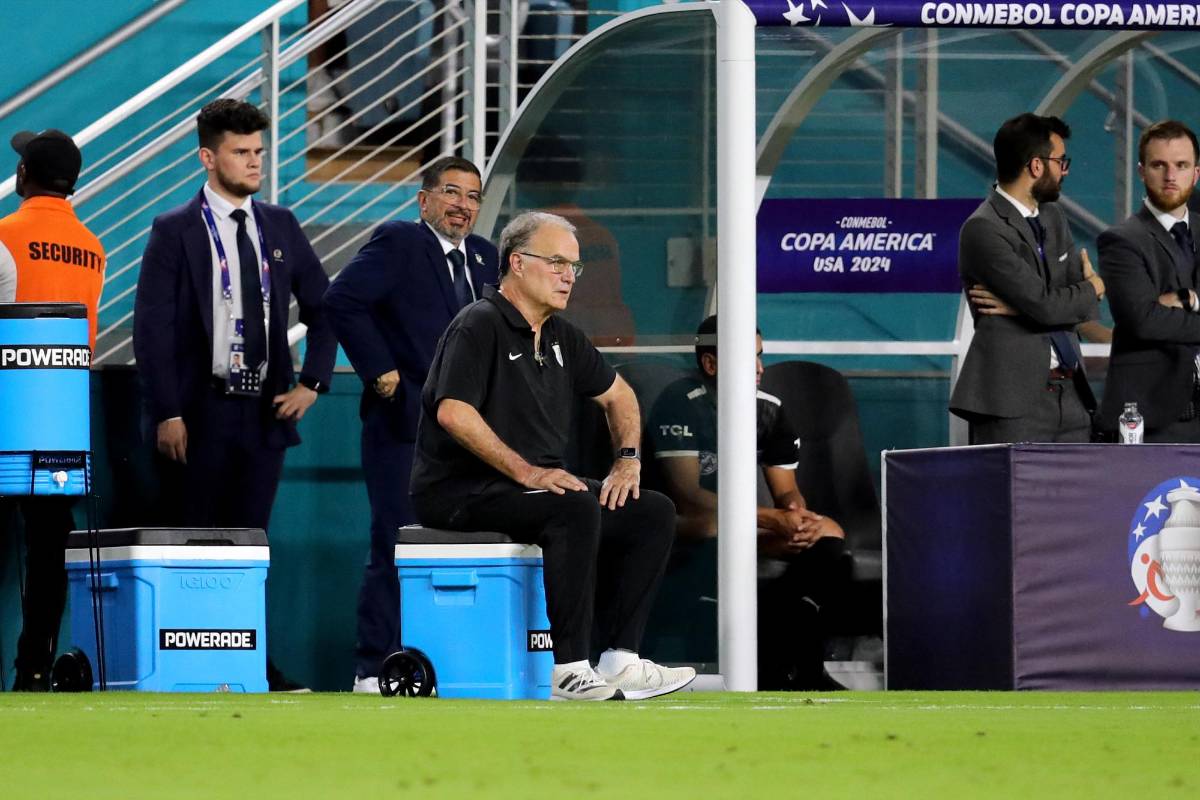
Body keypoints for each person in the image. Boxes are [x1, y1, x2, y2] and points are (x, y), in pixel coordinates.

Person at [410, 211, 695, 701]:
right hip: (457, 491)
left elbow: (620, 396)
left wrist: (627, 460)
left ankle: (621, 659)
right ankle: (569, 666)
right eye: (558, 262)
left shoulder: (563, 336)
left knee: (651, 511)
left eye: (575, 267)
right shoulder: (478, 324)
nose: (569, 276)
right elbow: (454, 414)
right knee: (573, 503)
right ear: (517, 263)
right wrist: (528, 471)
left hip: (531, 490)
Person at [133, 98, 337, 690]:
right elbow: (152, 328)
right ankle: (189, 666)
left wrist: (313, 383)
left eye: (259, 152)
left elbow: (327, 307)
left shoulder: (279, 225)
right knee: (195, 541)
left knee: (253, 546)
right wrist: (167, 410)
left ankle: (255, 666)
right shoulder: (175, 231)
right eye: (241, 152)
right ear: (207, 156)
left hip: (264, 414)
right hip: (199, 412)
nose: (255, 163)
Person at [323, 156, 499, 693]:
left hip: (475, 434)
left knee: (471, 546)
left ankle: (451, 660)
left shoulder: (487, 259)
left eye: (472, 196)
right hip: (405, 424)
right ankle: (374, 668)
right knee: (397, 542)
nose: (463, 206)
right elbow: (341, 300)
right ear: (424, 200)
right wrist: (380, 371)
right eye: (452, 192)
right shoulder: (400, 242)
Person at [646, 315, 848, 691]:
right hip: (681, 525)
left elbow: (786, 488)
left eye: (759, 356)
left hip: (742, 525)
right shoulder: (679, 403)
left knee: (827, 531)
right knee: (711, 523)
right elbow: (687, 497)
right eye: (747, 358)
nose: (759, 369)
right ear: (711, 364)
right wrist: (772, 520)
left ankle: (785, 629)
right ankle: (776, 646)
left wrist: (794, 513)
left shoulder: (768, 408)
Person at [0, 129, 104, 690]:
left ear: (24, 178)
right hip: (62, 418)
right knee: (49, 549)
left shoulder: (3, 235)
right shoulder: (92, 246)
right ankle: (35, 668)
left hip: (5, 413)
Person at [949, 112, 1105, 444]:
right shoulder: (983, 229)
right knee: (1016, 496)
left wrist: (1023, 308)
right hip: (1013, 404)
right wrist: (1093, 286)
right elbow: (1052, 306)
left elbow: (1076, 309)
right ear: (1036, 166)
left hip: (1072, 394)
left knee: (1080, 495)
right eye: (1061, 162)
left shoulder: (1054, 216)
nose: (1065, 171)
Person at [1099, 120, 1200, 442]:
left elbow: (1159, 318)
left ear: (1196, 173)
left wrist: (1184, 300)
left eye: (1181, 165)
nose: (1171, 176)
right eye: (1160, 165)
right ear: (1142, 172)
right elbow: (1143, 321)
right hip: (1155, 417)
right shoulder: (1122, 240)